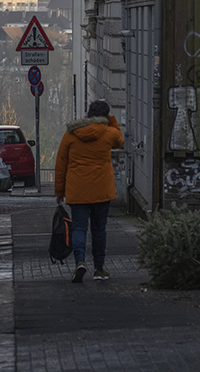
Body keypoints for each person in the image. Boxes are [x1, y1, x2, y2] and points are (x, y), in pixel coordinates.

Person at [53, 99, 124, 282]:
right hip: (102, 190)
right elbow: (120, 140)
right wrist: (111, 119)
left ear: (88, 114)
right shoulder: (108, 133)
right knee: (99, 229)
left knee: (79, 228)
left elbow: (61, 164)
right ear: (105, 116)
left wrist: (59, 191)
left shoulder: (71, 134)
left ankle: (80, 262)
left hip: (78, 191)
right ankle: (99, 269)